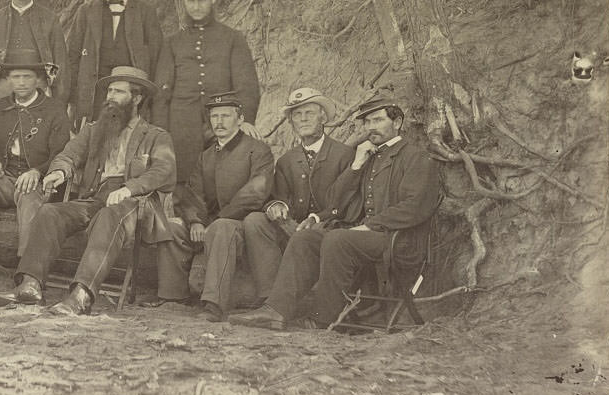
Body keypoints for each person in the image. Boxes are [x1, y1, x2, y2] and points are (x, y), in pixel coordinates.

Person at [231, 96, 441, 330]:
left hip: (400, 240)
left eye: (378, 120)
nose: (371, 127)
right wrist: (356, 166)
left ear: (397, 122)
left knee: (337, 238)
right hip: (367, 237)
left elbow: (416, 207)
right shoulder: (369, 157)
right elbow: (336, 203)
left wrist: (372, 225)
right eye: (368, 122)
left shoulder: (416, 157)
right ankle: (276, 311)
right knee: (306, 238)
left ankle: (323, 318)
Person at [0, 66, 176, 315]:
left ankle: (81, 295)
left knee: (109, 216)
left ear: (137, 98)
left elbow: (163, 171)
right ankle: (30, 284)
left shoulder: (155, 136)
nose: (110, 96)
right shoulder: (94, 129)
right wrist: (59, 172)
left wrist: (130, 188)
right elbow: (69, 154)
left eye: (118, 92)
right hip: (94, 197)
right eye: (109, 90)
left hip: (134, 203)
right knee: (49, 213)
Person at [158, 92, 274, 321]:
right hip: (211, 222)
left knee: (221, 227)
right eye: (214, 116)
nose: (218, 122)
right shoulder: (207, 156)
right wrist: (195, 221)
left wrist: (217, 220)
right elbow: (193, 194)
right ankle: (174, 296)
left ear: (240, 120)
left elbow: (255, 193)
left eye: (225, 116)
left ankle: (214, 304)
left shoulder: (257, 150)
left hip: (243, 223)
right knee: (172, 228)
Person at [0, 49, 71, 282]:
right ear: (8, 80)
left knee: (29, 192)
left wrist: (37, 171)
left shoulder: (54, 109)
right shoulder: (1, 106)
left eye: (27, 77)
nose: (21, 82)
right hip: (6, 178)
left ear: (38, 80)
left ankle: (27, 266)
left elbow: (62, 152)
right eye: (16, 77)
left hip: (39, 181)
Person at [241, 88, 355, 308]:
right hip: (295, 228)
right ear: (291, 121)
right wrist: (277, 205)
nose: (302, 119)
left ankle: (282, 305)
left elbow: (347, 202)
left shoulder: (344, 155)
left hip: (330, 226)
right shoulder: (286, 160)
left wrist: (316, 219)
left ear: (323, 117)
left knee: (306, 237)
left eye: (309, 113)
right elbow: (278, 196)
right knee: (255, 221)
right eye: (297, 115)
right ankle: (270, 297)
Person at [155, 0, 261, 184]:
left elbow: (246, 85)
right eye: (191, 1)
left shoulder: (232, 38)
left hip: (223, 122)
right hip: (182, 126)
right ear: (184, 2)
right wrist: (159, 131)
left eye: (202, 0)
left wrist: (246, 119)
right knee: (183, 182)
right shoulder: (172, 42)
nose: (196, 7)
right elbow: (161, 93)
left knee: (224, 178)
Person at [66, 0, 164, 127]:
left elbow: (158, 59)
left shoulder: (146, 13)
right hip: (92, 101)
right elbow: (71, 59)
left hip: (131, 101)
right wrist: (73, 101)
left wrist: (149, 103)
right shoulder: (86, 12)